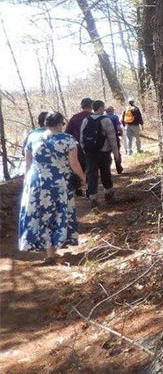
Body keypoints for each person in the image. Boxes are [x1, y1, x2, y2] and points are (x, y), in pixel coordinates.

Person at [18, 111, 86, 265]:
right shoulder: (68, 139)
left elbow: (27, 164)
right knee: (57, 213)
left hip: (35, 181)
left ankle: (49, 252)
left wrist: (25, 181)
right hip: (58, 182)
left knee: (40, 214)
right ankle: (52, 250)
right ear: (60, 124)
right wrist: (83, 178)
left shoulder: (32, 137)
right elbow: (74, 164)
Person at [80, 100, 121, 208]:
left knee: (92, 175)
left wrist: (85, 150)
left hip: (90, 153)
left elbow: (82, 138)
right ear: (101, 108)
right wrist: (116, 154)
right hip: (103, 152)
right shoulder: (106, 120)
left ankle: (93, 198)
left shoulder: (86, 120)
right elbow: (112, 138)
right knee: (105, 173)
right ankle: (108, 194)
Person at [65, 98, 93, 196]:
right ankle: (90, 190)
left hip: (76, 147)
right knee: (90, 168)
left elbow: (67, 132)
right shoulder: (94, 117)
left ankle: (78, 188)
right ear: (91, 105)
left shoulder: (75, 117)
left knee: (78, 166)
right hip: (91, 147)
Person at [105, 106, 124, 174]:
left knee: (107, 154)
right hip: (114, 137)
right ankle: (118, 167)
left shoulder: (104, 117)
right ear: (112, 110)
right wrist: (121, 133)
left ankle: (107, 170)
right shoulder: (115, 117)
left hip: (105, 139)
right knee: (117, 152)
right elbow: (118, 127)